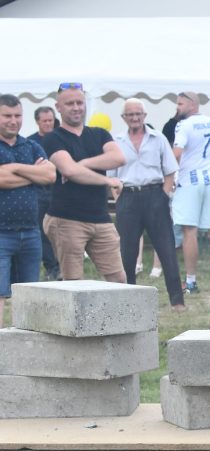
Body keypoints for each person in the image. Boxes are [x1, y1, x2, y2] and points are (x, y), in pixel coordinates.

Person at [41, 82, 126, 283]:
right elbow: (69, 171)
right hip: (66, 219)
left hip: (100, 218)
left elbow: (118, 157)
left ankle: (115, 316)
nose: (76, 107)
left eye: (79, 102)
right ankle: (75, 317)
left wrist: (83, 162)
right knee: (73, 282)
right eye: (70, 103)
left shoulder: (99, 134)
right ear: (58, 107)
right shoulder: (53, 138)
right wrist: (107, 180)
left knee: (118, 280)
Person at [110, 99, 185, 308]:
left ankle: (177, 300)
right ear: (124, 118)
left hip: (155, 194)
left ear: (144, 116)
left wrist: (164, 195)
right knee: (127, 251)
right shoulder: (116, 141)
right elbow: (112, 176)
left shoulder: (158, 138)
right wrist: (118, 198)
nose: (134, 118)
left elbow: (170, 170)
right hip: (128, 196)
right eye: (130, 114)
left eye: (138, 114)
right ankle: (128, 298)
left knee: (166, 249)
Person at [0, 94, 55, 325]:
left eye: (17, 115)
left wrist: (13, 168)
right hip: (1, 233)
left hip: (31, 233)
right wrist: (32, 174)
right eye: (7, 116)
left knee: (30, 294)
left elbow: (50, 175)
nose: (13, 120)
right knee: (1, 295)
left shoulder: (31, 145)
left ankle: (26, 348)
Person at [172, 90, 210, 294]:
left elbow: (176, 153)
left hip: (189, 180)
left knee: (189, 230)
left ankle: (191, 280)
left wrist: (168, 175)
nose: (178, 108)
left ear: (193, 104)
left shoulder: (184, 125)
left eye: (180, 104)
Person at [28, 106, 60, 281]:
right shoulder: (31, 142)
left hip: (59, 192)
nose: (48, 123)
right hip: (39, 193)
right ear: (37, 121)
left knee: (61, 230)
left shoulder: (60, 138)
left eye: (51, 120)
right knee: (43, 231)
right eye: (45, 121)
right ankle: (51, 267)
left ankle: (62, 265)